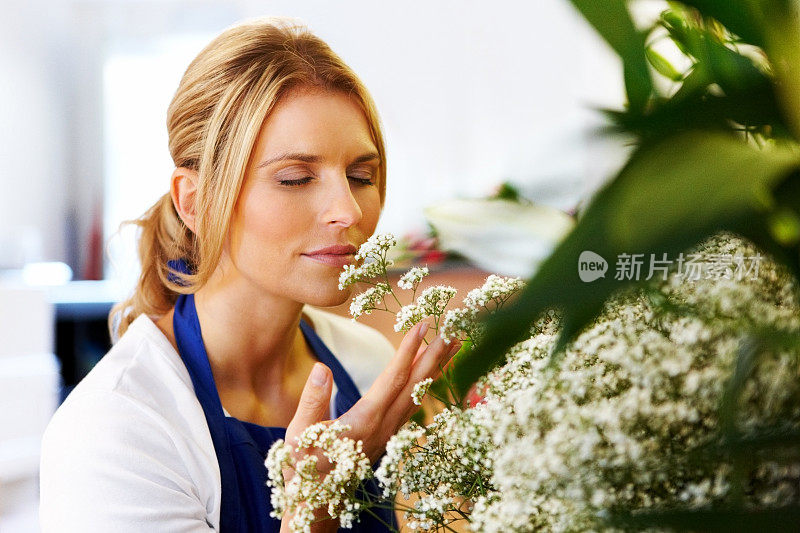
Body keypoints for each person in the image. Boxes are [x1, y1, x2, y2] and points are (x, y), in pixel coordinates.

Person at [39, 17, 460, 532]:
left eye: (360, 176)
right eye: (295, 178)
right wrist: (314, 507)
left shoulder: (368, 368)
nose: (347, 211)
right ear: (195, 202)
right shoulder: (115, 430)